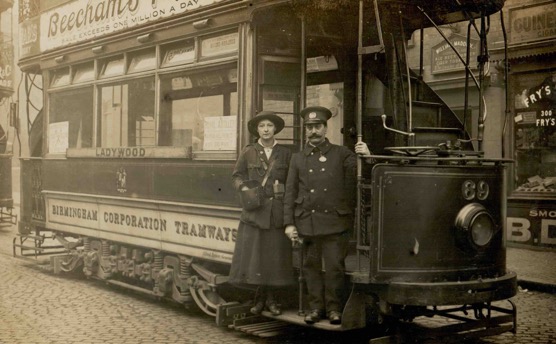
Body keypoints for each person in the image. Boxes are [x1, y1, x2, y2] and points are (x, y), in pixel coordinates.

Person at [283, 105, 361, 325]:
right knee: (310, 267)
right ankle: (316, 308)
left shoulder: (342, 153)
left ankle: (335, 309)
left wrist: (364, 154)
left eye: (317, 126)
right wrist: (289, 223)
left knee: (335, 267)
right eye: (309, 127)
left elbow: (359, 174)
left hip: (335, 222)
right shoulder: (298, 159)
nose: (313, 131)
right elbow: (290, 193)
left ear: (326, 128)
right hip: (307, 221)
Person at [229, 110, 295, 316]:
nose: (265, 130)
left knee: (274, 259)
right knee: (255, 259)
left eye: (269, 126)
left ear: (275, 129)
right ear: (257, 130)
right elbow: (237, 175)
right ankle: (259, 298)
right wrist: (243, 188)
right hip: (254, 213)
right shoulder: (248, 151)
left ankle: (272, 300)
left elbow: (291, 182)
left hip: (276, 214)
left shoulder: (285, 154)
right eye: (261, 126)